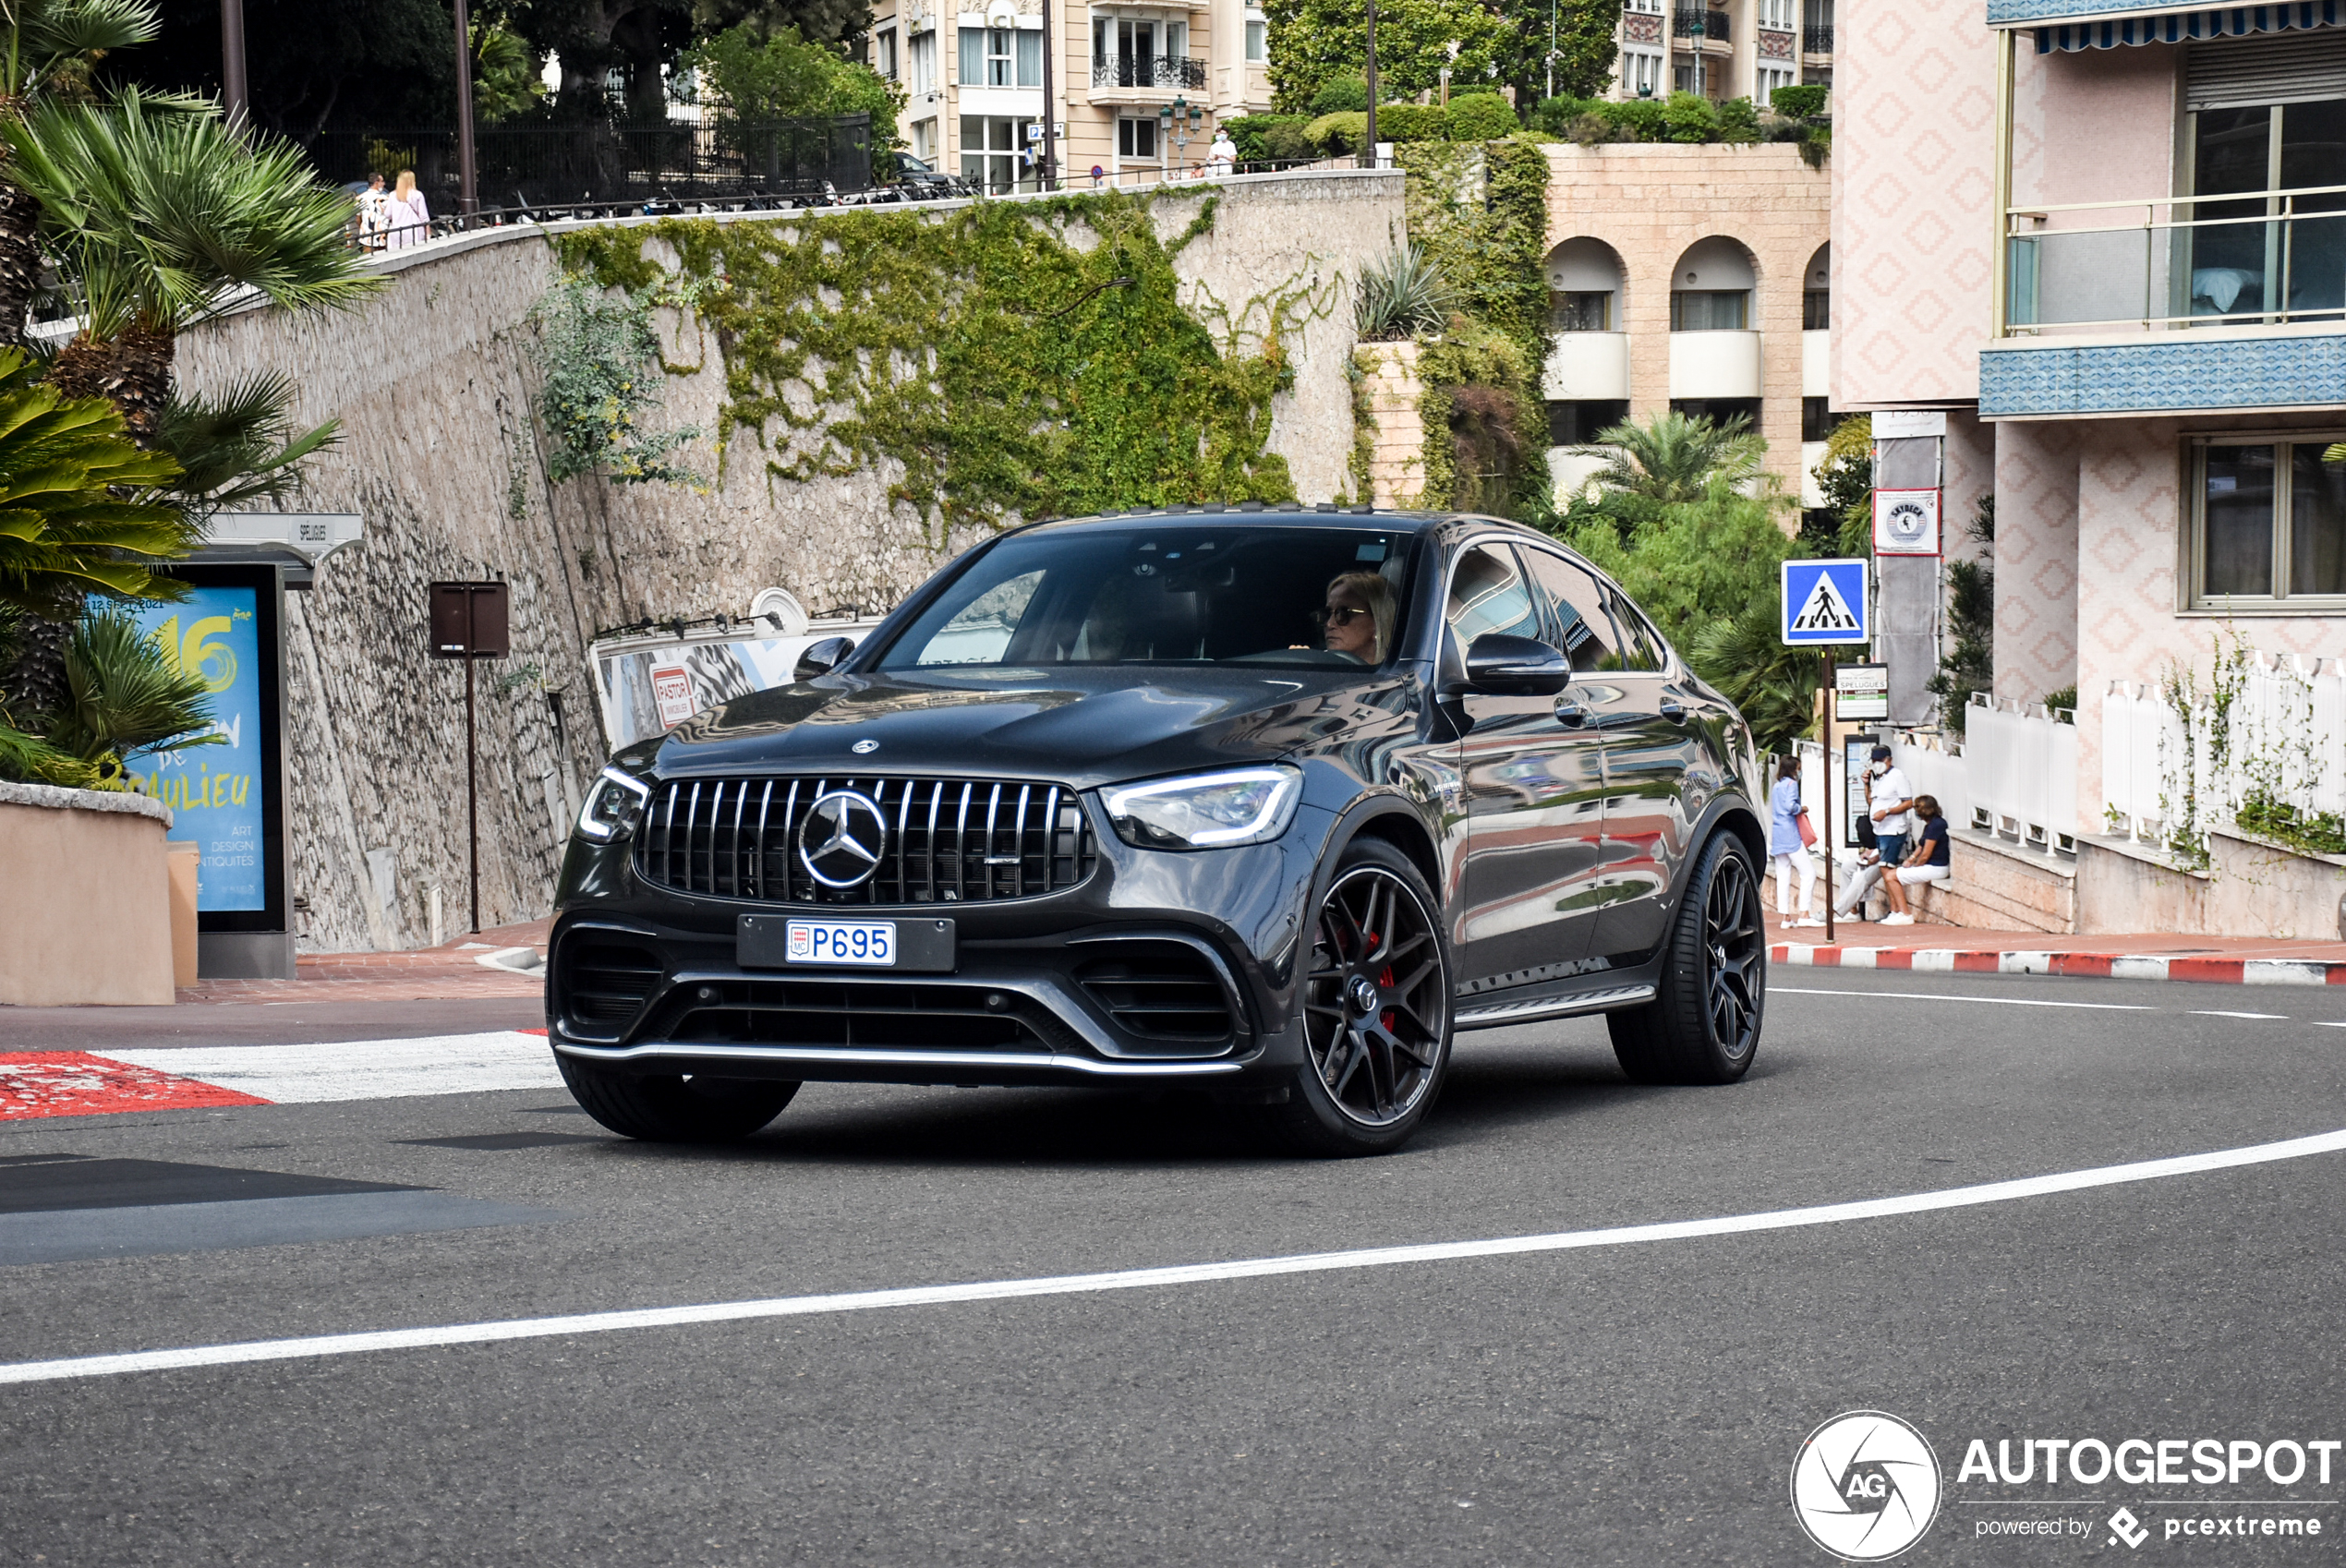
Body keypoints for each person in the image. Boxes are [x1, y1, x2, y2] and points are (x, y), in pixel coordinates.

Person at [1879, 793, 1952, 925]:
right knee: (1893, 874)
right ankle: (1899, 913)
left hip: (1936, 867)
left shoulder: (1936, 826)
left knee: (1890, 876)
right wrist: (1911, 859)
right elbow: (1921, 845)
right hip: (1932, 866)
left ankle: (1905, 913)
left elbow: (1926, 854)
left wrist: (1917, 866)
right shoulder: (1932, 824)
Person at [1767, 755, 1820, 926]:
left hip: (1778, 834)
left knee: (1783, 874)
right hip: (1791, 834)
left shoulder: (1776, 787)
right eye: (1798, 768)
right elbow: (1791, 806)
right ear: (1793, 769)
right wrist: (1802, 808)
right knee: (1808, 873)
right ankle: (1804, 914)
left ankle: (1785, 917)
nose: (1799, 771)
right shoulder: (1792, 785)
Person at [1318, 570, 1396, 664]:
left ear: (1377, 622)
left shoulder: (1397, 675)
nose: (1329, 624)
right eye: (1327, 614)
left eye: (1344, 614)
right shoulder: (1318, 664)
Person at [1865, 743, 1916, 873]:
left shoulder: (1897, 776)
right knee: (1884, 870)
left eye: (1880, 761)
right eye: (1874, 761)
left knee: (1887, 871)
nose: (1877, 764)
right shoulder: (1879, 779)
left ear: (1889, 760)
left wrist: (1887, 812)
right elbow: (1871, 802)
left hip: (1892, 831)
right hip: (1880, 831)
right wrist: (1866, 785)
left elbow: (1908, 802)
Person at [382, 170, 430, 250]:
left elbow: (387, 214)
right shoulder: (417, 195)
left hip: (396, 231)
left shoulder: (392, 195)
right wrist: (428, 234)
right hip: (413, 230)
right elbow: (423, 216)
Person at [356, 173, 389, 251]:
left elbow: (358, 219)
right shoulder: (385, 199)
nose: (384, 184)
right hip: (382, 238)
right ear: (377, 183)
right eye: (382, 181)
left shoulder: (360, 198)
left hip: (366, 239)